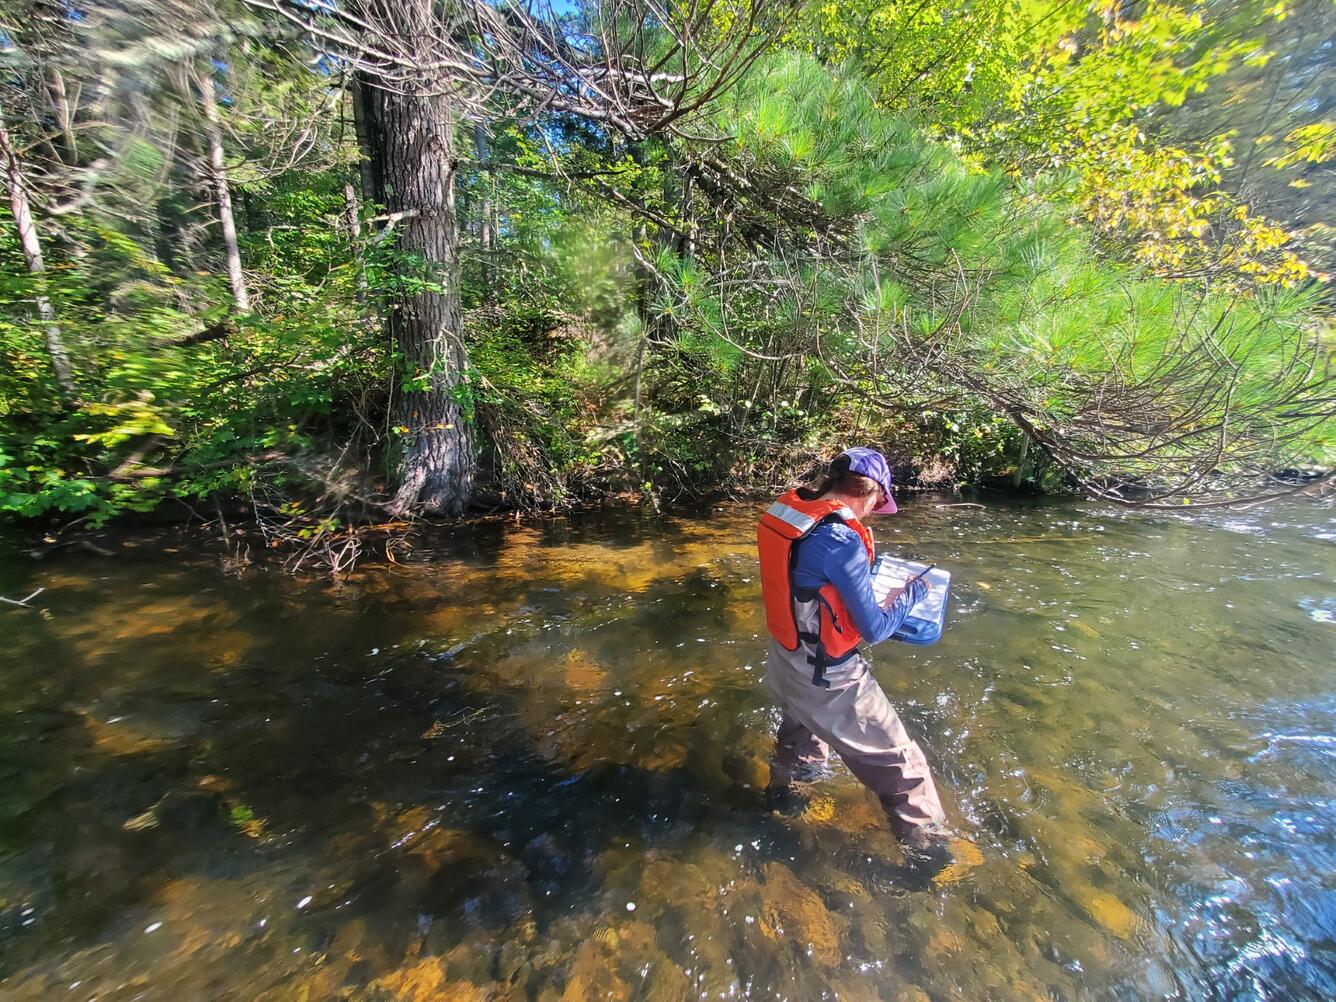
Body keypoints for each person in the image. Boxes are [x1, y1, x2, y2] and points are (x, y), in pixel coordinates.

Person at [756, 447, 949, 851]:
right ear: (872, 493)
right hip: (827, 674)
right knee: (904, 767)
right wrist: (910, 594)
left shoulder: (792, 510)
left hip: (786, 657)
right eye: (879, 503)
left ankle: (783, 804)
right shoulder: (840, 538)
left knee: (801, 734)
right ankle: (932, 857)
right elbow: (875, 628)